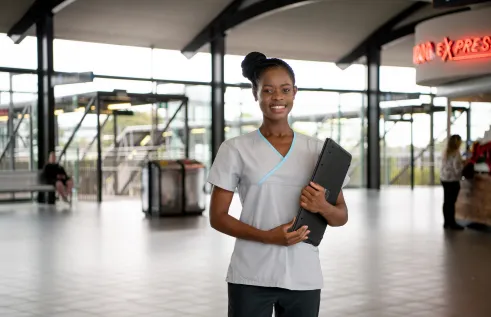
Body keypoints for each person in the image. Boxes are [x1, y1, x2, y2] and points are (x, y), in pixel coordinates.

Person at [207, 52, 350, 317]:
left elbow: (341, 215)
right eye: (268, 90)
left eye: (285, 90)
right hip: (251, 274)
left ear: (295, 93)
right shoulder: (234, 149)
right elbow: (217, 217)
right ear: (255, 94)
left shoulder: (319, 151)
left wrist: (323, 207)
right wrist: (267, 236)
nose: (277, 98)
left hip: (303, 274)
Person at [440, 134, 465, 230]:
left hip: (444, 179)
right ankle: (452, 223)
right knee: (451, 202)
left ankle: (446, 222)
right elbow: (457, 169)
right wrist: (464, 164)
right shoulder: (456, 153)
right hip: (452, 180)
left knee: (446, 202)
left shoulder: (445, 152)